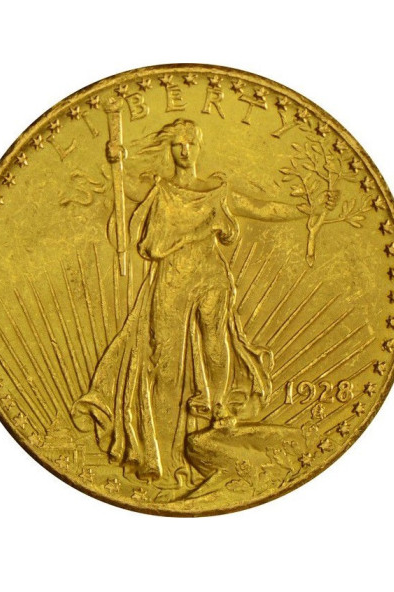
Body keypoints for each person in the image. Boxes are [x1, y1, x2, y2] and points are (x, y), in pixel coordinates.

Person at [71, 118, 304, 491]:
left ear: (198, 147)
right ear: (171, 149)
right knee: (164, 362)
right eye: (178, 144)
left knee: (215, 341)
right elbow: (123, 187)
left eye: (190, 144)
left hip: (210, 276)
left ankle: (217, 408)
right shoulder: (160, 189)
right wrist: (116, 159)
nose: (184, 150)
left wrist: (306, 211)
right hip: (172, 280)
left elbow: (261, 207)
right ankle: (161, 448)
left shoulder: (217, 192)